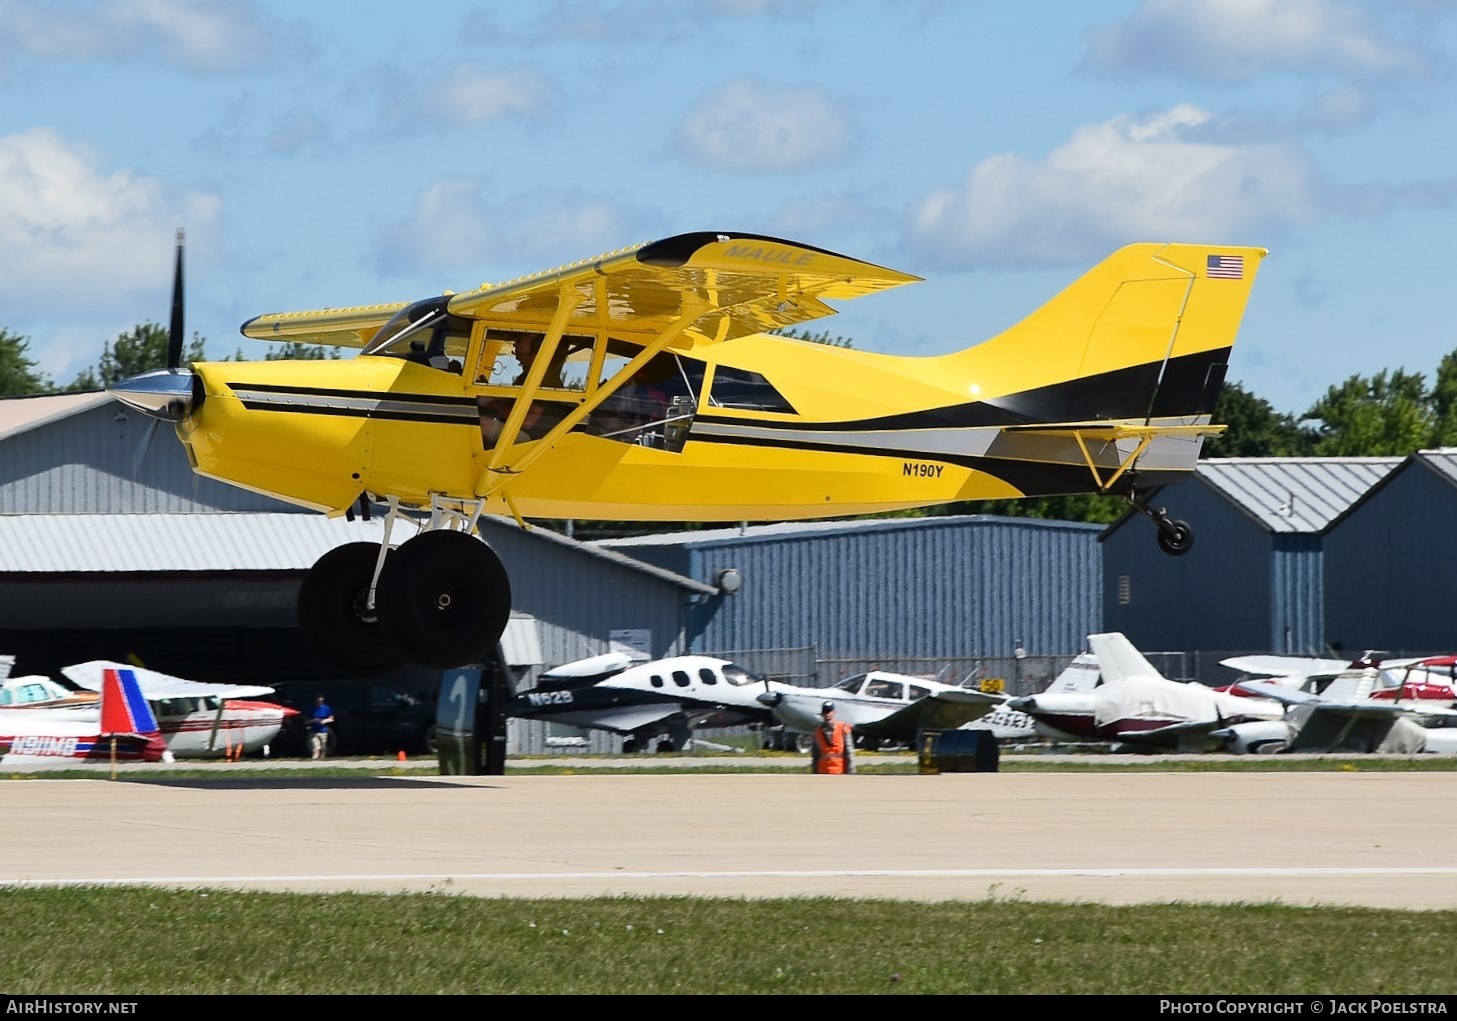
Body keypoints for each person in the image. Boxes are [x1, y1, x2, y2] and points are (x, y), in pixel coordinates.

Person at [810, 700, 854, 774]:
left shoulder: (843, 729)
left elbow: (849, 753)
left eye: (829, 711)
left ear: (834, 712)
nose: (827, 714)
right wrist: (814, 774)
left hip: (840, 772)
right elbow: (815, 756)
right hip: (823, 772)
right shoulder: (817, 733)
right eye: (825, 712)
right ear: (822, 714)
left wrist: (851, 772)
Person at [308, 694, 334, 760]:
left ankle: (322, 760)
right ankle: (314, 759)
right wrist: (313, 720)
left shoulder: (327, 708)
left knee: (323, 748)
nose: (319, 702)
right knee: (316, 748)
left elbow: (331, 718)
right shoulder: (311, 709)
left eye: (321, 701)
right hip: (313, 731)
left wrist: (325, 721)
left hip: (323, 731)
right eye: (318, 701)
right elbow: (305, 721)